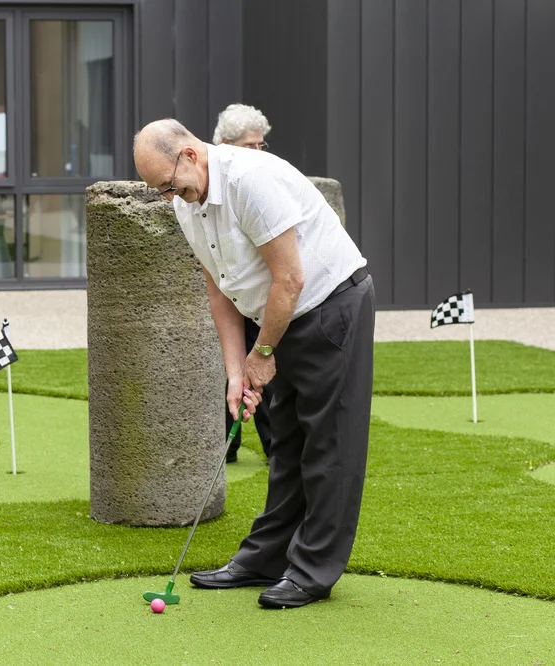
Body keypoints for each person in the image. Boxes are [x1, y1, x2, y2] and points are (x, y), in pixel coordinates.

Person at [133, 119, 375, 609]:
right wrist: (235, 371)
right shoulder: (186, 203)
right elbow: (219, 293)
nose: (168, 197)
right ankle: (265, 557)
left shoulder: (249, 181)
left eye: (167, 185)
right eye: (159, 191)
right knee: (285, 439)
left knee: (328, 442)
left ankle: (313, 570)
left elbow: (290, 278)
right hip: (278, 316)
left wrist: (262, 355)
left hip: (329, 304)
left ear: (189, 155)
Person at [212, 104, 274, 462]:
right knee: (236, 371)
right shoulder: (219, 184)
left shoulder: (263, 181)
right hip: (234, 294)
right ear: (224, 143)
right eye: (249, 146)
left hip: (267, 297)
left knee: (263, 371)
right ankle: (227, 446)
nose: (257, 153)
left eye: (260, 145)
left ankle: (273, 447)